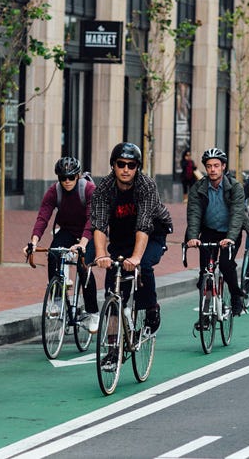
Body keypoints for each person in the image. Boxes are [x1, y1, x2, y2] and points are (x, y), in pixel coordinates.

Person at [91, 143, 172, 369]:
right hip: (121, 237)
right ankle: (112, 351)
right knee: (112, 293)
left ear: (137, 167)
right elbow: (98, 225)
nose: (126, 169)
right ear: (113, 165)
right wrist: (100, 256)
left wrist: (135, 258)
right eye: (121, 164)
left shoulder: (146, 186)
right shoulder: (104, 189)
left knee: (143, 265)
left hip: (153, 233)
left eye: (131, 165)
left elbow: (144, 225)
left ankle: (152, 308)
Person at [25, 156, 99, 333]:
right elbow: (43, 216)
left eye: (71, 177)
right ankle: (57, 300)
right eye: (62, 177)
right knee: (53, 254)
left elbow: (92, 220)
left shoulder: (88, 189)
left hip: (88, 233)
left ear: (78, 176)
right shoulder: (54, 191)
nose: (66, 181)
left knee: (84, 266)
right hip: (67, 230)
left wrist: (82, 244)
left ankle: (92, 312)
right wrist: (34, 241)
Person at [186, 147, 248, 318]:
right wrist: (192, 237)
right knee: (205, 272)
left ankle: (236, 295)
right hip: (209, 231)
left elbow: (237, 215)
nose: (212, 169)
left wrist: (230, 237)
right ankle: (206, 311)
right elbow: (194, 213)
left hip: (230, 233)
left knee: (227, 265)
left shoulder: (235, 187)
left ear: (223, 167)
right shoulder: (198, 188)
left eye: (216, 165)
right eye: (209, 166)